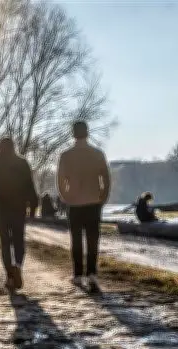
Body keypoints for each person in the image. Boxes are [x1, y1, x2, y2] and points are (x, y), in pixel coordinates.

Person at [57, 121, 111, 293]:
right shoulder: (97, 154)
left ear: (73, 134)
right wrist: (103, 196)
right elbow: (106, 178)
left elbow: (60, 179)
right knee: (93, 239)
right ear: (87, 133)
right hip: (94, 201)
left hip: (74, 202)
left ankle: (78, 274)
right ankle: (92, 273)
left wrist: (65, 196)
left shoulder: (66, 155)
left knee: (76, 239)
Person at [0, 137, 38, 291]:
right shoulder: (22, 163)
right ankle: (18, 266)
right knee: (19, 240)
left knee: (5, 243)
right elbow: (30, 185)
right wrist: (33, 207)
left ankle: (9, 276)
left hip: (0, 208)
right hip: (18, 207)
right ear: (14, 147)